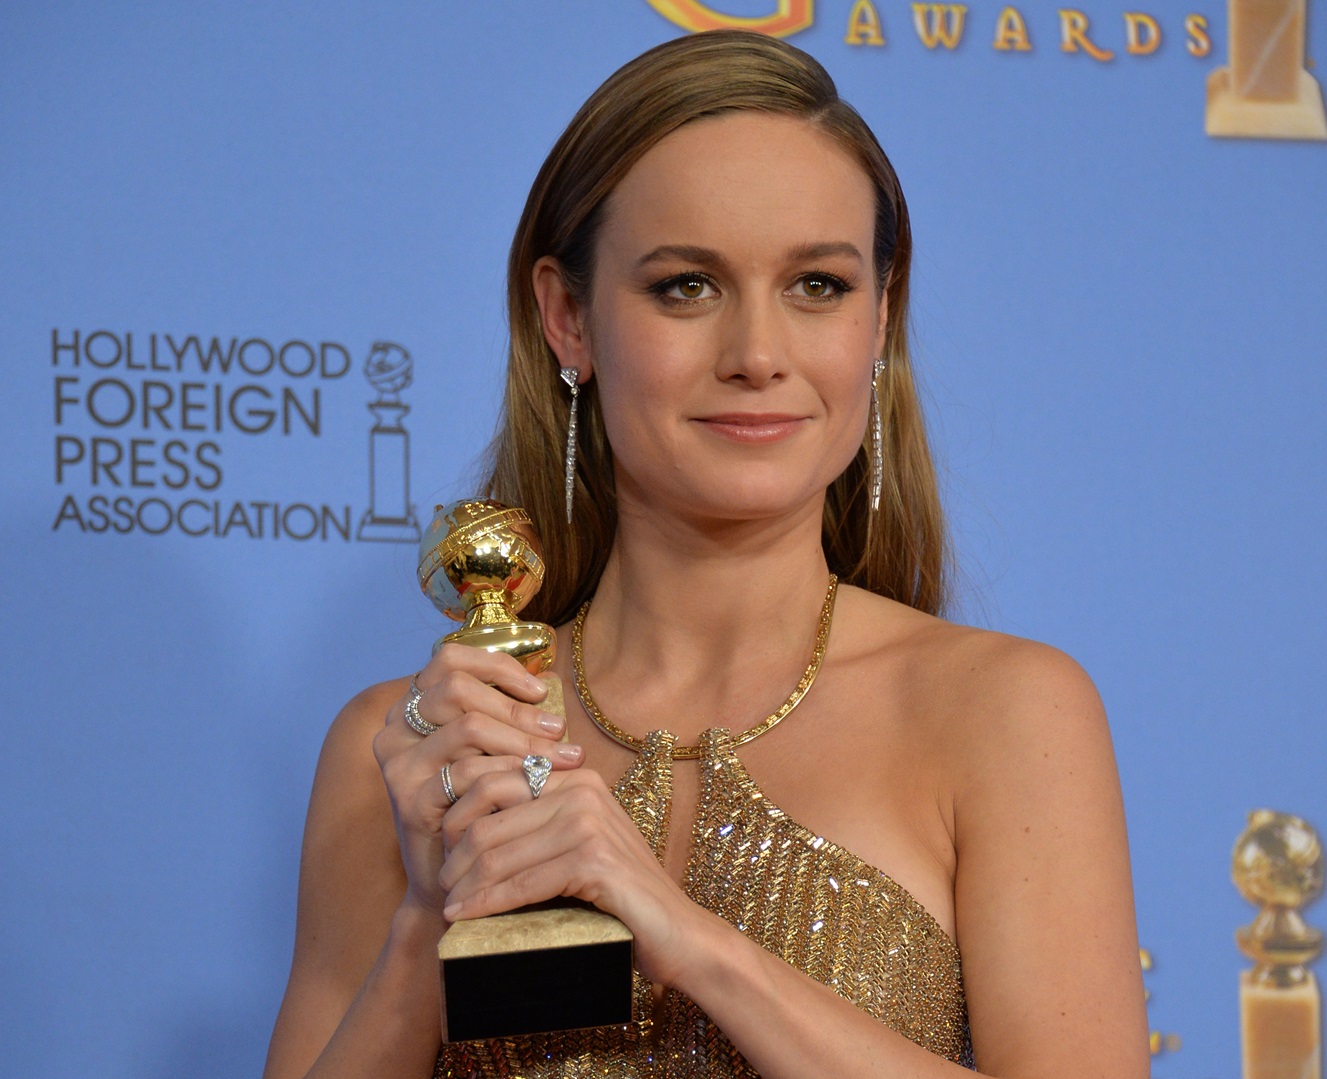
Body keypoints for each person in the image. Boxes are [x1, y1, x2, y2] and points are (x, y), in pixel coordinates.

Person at [263, 29, 1149, 1079]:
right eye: (686, 286)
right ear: (568, 317)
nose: (758, 355)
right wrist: (427, 914)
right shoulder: (410, 745)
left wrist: (695, 944)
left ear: (880, 318)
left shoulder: (1001, 711)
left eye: (816, 284)